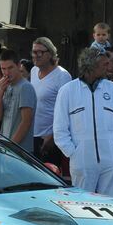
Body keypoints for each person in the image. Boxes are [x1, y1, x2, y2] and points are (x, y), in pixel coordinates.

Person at [53, 46, 113, 197]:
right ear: (90, 66)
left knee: (112, 206)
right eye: (105, 64)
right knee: (82, 204)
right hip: (82, 161)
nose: (109, 67)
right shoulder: (67, 91)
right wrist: (73, 153)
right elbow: (60, 129)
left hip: (111, 160)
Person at [29, 37, 72, 165]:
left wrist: (53, 136)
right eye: (33, 52)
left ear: (50, 54)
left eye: (39, 52)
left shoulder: (62, 76)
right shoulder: (33, 70)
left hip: (50, 139)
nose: (35, 56)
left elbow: (67, 110)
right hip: (32, 135)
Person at [0, 49, 37, 152]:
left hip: (19, 151)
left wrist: (10, 147)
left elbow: (26, 122)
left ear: (18, 66)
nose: (7, 72)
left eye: (10, 68)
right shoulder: (6, 86)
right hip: (7, 148)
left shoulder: (25, 87)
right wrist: (0, 93)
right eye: (3, 69)